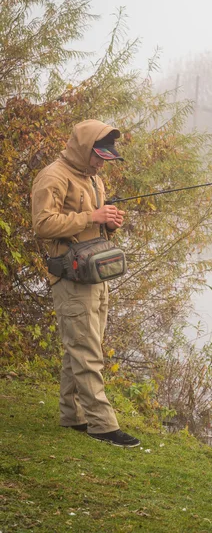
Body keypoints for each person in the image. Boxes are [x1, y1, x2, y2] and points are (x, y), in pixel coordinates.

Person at [31, 119, 140, 448]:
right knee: (87, 352)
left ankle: (72, 413)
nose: (100, 163)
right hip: (70, 277)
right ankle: (102, 424)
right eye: (98, 156)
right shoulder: (53, 176)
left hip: (96, 276)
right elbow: (42, 224)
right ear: (83, 148)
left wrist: (111, 222)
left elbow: (94, 227)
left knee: (77, 349)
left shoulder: (93, 179)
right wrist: (92, 216)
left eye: (105, 158)